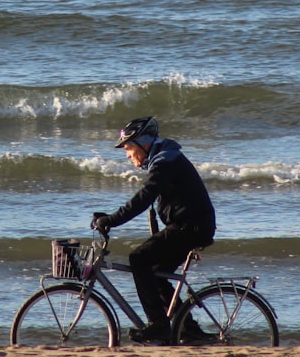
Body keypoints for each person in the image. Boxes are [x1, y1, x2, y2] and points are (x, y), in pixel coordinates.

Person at [91, 116, 216, 344]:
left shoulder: (165, 160)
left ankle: (159, 325)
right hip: (191, 225)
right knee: (156, 273)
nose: (127, 155)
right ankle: (187, 329)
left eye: (128, 148)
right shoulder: (164, 158)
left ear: (143, 143)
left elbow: (144, 197)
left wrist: (112, 220)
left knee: (138, 258)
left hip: (191, 226)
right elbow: (151, 203)